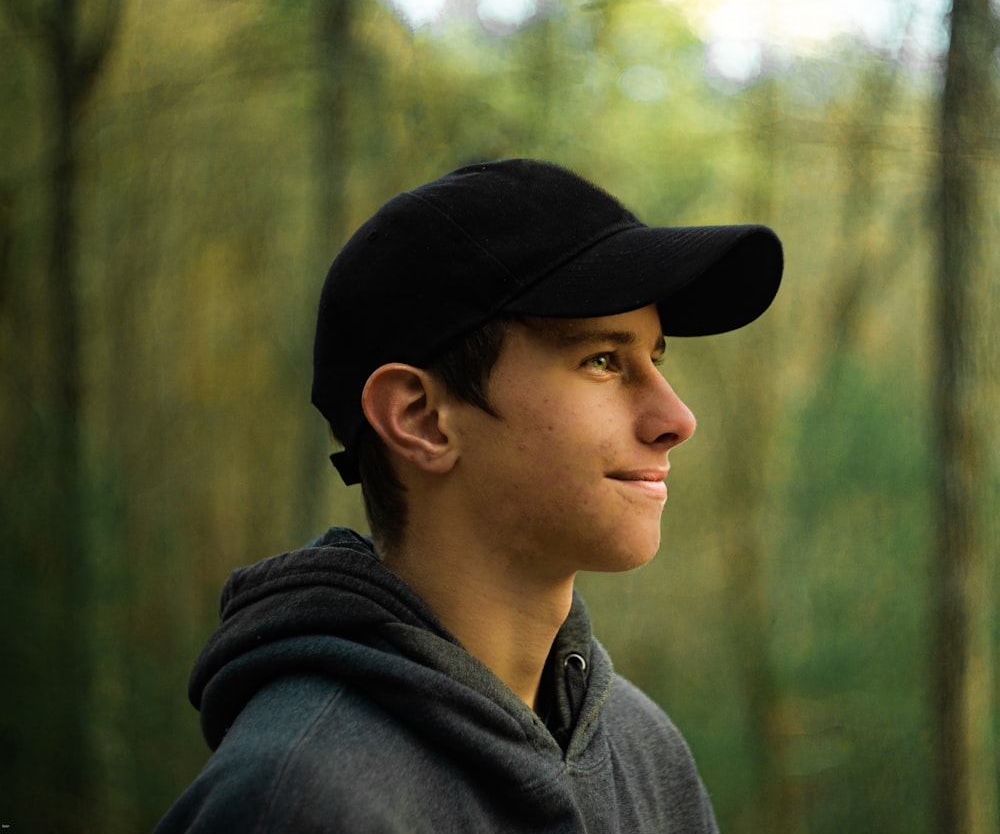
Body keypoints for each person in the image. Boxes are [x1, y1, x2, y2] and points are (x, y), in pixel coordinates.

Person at [155, 158, 783, 833]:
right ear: (421, 417)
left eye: (654, 361)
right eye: (603, 360)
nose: (677, 419)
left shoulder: (645, 751)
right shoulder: (296, 801)